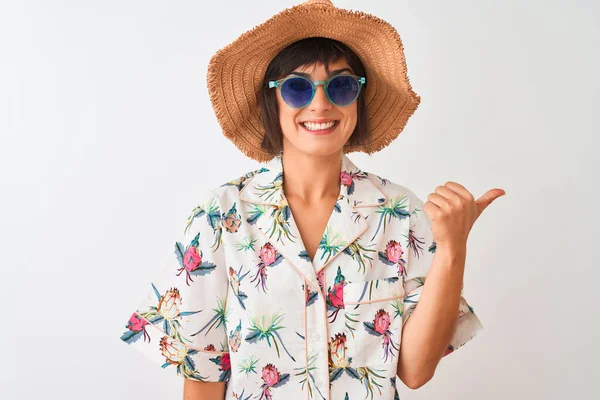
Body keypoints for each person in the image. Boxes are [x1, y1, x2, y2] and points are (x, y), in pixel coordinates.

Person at [119, 1, 505, 399]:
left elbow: (415, 370)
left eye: (340, 85)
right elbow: (203, 375)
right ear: (273, 100)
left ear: (357, 97)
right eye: (297, 87)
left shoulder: (400, 213)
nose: (320, 104)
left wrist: (453, 248)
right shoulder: (223, 215)